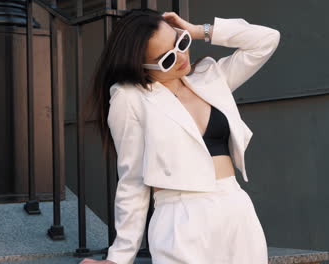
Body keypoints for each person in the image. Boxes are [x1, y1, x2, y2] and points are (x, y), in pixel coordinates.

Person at [80, 8, 280, 264]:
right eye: (166, 59)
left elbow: (266, 40)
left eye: (180, 42)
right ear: (140, 67)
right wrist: (119, 256)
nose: (181, 57)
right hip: (180, 218)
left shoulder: (211, 77)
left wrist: (199, 31)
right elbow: (132, 179)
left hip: (236, 209)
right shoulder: (130, 98)